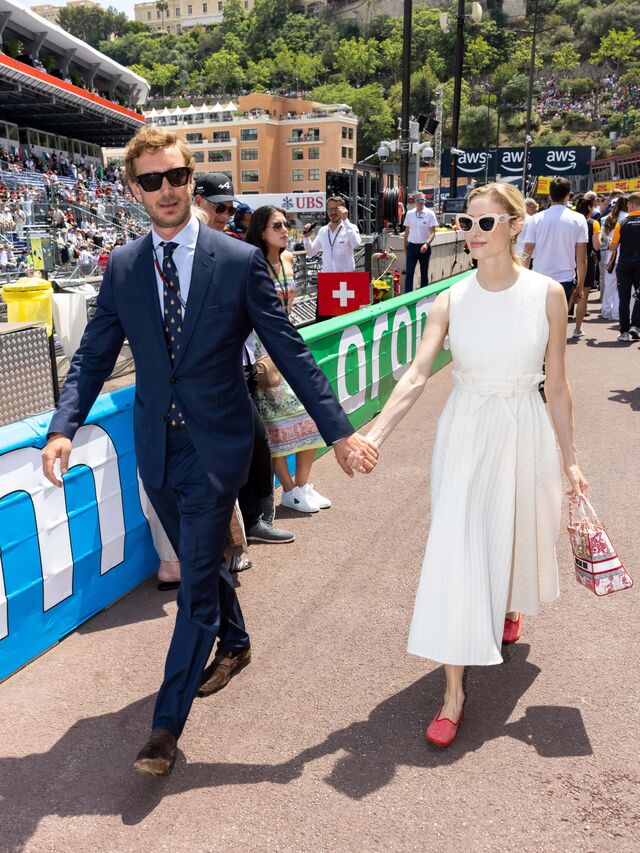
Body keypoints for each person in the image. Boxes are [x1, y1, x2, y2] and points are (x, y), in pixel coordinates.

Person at [41, 126, 378, 777]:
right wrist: (64, 424)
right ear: (134, 189)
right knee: (204, 559)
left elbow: (290, 350)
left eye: (176, 177)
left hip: (217, 446)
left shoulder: (238, 260)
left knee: (195, 572)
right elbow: (91, 355)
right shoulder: (124, 266)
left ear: (191, 179)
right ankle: (238, 640)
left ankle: (164, 727)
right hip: (155, 449)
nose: (166, 190)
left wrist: (339, 431)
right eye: (151, 180)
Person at [359, 182, 587, 748]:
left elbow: (557, 385)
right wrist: (375, 433)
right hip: (464, 430)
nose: (473, 233)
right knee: (456, 549)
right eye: (466, 223)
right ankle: (454, 693)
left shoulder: (546, 295)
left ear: (514, 225)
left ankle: (508, 601)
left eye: (485, 223)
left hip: (523, 425)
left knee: (513, 527)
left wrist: (572, 462)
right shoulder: (450, 299)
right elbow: (416, 374)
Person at [247, 206, 331, 513]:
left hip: (285, 342)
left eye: (286, 224)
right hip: (261, 347)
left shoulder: (289, 258)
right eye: (277, 226)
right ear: (261, 231)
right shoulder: (253, 264)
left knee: (308, 414)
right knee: (277, 423)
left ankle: (300, 486)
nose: (285, 230)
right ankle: (289, 488)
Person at [523, 176, 588, 312]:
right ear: (568, 196)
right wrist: (580, 286)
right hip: (565, 279)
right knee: (560, 323)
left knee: (539, 322)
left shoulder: (536, 219)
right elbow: (582, 258)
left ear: (549, 196)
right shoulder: (579, 219)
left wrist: (523, 280)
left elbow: (527, 252)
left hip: (539, 277)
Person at [607, 191, 640, 341]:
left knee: (624, 299)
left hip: (624, 265)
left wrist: (607, 241)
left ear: (632, 205)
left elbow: (613, 247)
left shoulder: (621, 223)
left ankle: (624, 332)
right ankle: (636, 326)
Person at [302, 195, 361, 272]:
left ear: (343, 210)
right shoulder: (323, 231)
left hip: (346, 277)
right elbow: (311, 252)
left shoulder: (350, 227)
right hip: (327, 277)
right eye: (330, 209)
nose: (333, 212)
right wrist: (306, 237)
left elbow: (356, 243)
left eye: (336, 209)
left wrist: (345, 219)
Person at [572, 197, 601, 339]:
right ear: (589, 208)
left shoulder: (572, 220)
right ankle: (577, 329)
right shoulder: (593, 223)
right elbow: (597, 246)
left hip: (568, 259)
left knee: (565, 294)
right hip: (586, 260)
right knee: (583, 296)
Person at [402, 192, 438, 291]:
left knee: (424, 273)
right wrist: (405, 248)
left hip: (424, 247)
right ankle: (408, 297)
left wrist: (427, 244)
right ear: (414, 201)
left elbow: (433, 233)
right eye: (418, 200)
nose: (420, 202)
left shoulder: (430, 214)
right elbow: (406, 232)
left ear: (425, 201)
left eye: (422, 200)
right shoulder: (409, 214)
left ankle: (423, 296)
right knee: (409, 273)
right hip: (412, 247)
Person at [600, 196, 627, 322]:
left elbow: (602, 234)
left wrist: (609, 241)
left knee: (609, 285)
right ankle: (616, 313)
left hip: (611, 257)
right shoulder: (627, 218)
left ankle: (606, 311)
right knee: (620, 287)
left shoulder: (609, 218)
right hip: (623, 257)